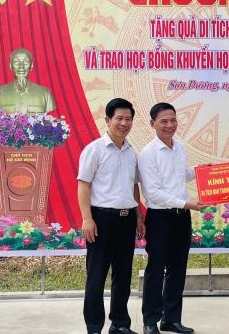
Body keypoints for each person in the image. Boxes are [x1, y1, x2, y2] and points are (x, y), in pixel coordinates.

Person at [77, 98, 145, 334]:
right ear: (107, 120)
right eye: (119, 118)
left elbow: (134, 186)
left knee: (123, 275)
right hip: (101, 220)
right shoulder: (94, 149)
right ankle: (94, 327)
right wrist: (87, 218)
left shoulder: (131, 152)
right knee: (96, 277)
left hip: (126, 221)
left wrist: (138, 216)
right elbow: (83, 185)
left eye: (128, 119)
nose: (124, 123)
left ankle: (120, 324)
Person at [139, 102, 205, 334]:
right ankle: (150, 321)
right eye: (164, 121)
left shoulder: (180, 147)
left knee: (178, 269)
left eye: (173, 120)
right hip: (160, 218)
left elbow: (177, 176)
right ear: (153, 124)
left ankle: (171, 319)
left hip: (181, 218)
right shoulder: (148, 154)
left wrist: (201, 171)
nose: (170, 125)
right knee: (156, 270)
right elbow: (153, 193)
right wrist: (187, 204)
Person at [0, 47, 56, 113]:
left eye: (25, 62)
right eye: (16, 62)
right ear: (11, 66)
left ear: (31, 66)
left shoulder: (45, 94)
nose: (21, 66)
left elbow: (51, 117)